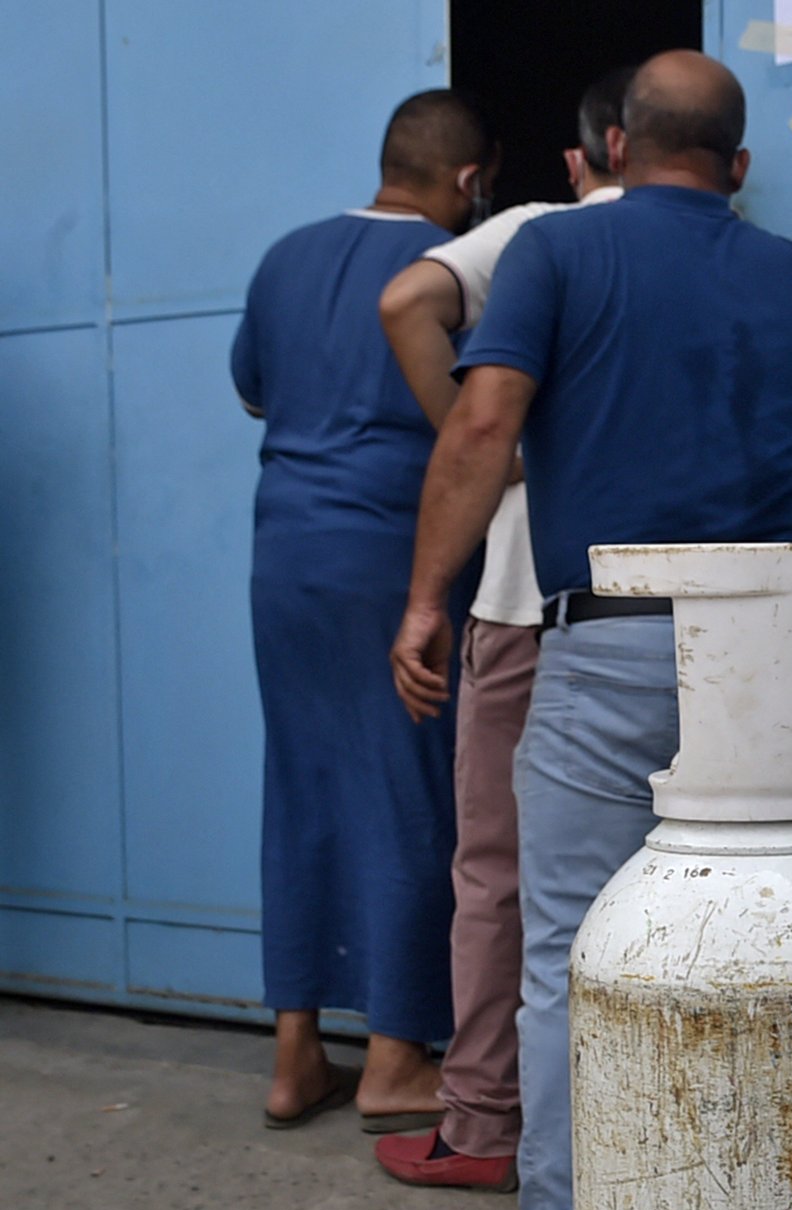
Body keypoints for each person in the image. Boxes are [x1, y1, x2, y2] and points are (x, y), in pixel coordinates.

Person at [391, 50, 792, 1210]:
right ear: (740, 164)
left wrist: (428, 600)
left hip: (611, 639)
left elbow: (483, 429)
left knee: (571, 950)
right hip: (763, 647)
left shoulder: (556, 254)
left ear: (620, 146)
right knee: (753, 939)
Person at [370, 68, 633, 1194]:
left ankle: (485, 1117)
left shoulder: (538, 231)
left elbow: (403, 302)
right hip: (680, 610)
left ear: (586, 157)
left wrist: (496, 449)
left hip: (528, 606)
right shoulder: (731, 252)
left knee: (498, 871)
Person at [231, 90, 494, 1133]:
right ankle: (394, 1057)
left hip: (285, 558)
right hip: (396, 557)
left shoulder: (284, 257)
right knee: (414, 794)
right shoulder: (457, 272)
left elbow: (257, 393)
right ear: (471, 183)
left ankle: (296, 1057)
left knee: (300, 789)